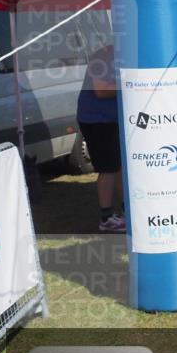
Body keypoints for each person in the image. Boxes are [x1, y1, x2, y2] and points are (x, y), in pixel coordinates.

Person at [76, 43, 125, 232]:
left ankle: (125, 210)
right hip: (97, 120)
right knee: (108, 168)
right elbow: (101, 90)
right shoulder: (102, 57)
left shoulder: (121, 55)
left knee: (118, 166)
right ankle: (106, 218)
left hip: (111, 119)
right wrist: (131, 83)